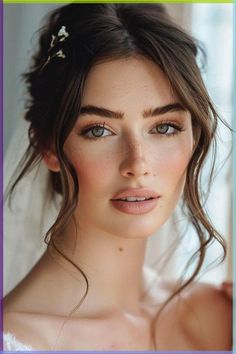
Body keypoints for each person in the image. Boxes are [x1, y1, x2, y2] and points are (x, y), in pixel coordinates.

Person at [3, 3, 232, 351]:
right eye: (99, 130)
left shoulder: (221, 317)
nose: (137, 163)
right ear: (49, 145)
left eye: (165, 127)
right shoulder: (17, 339)